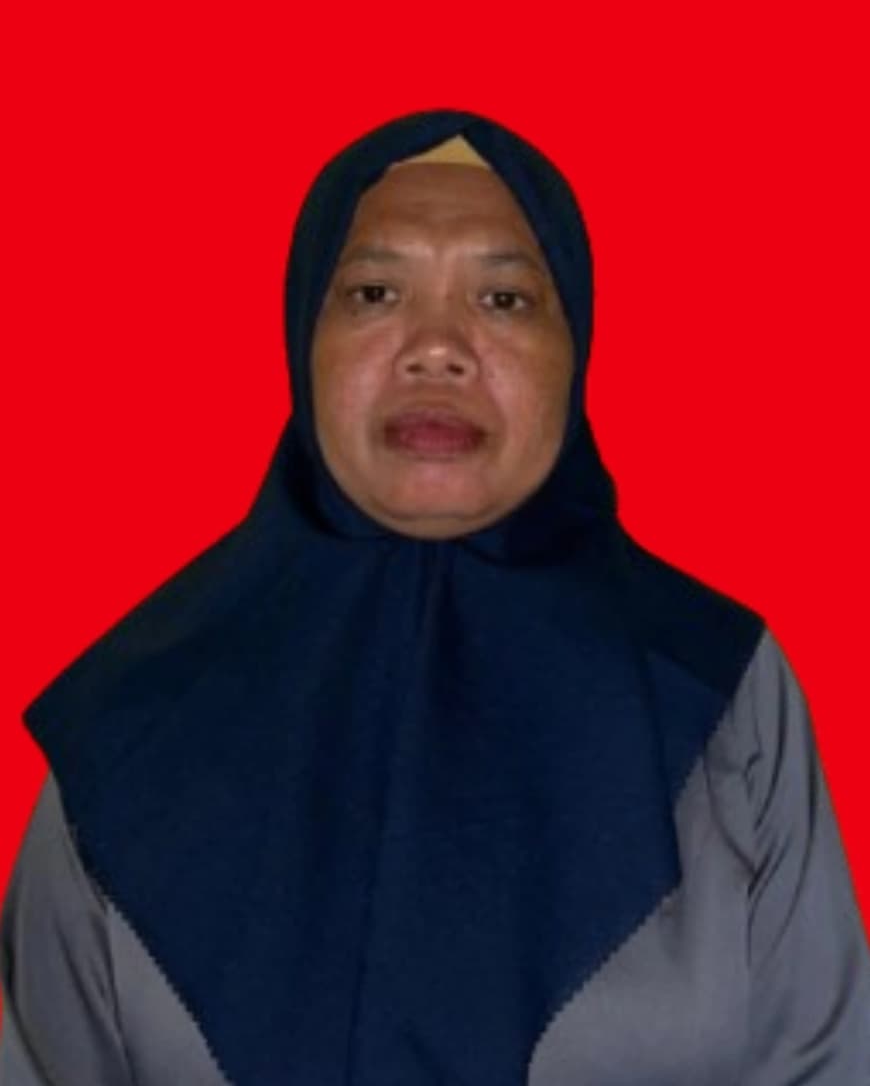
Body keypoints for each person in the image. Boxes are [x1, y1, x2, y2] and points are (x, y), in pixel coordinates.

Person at [1, 111, 868, 1085]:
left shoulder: (720, 687)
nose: (438, 348)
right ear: (304, 336)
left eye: (503, 299)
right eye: (375, 292)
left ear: (575, 347)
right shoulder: (135, 716)